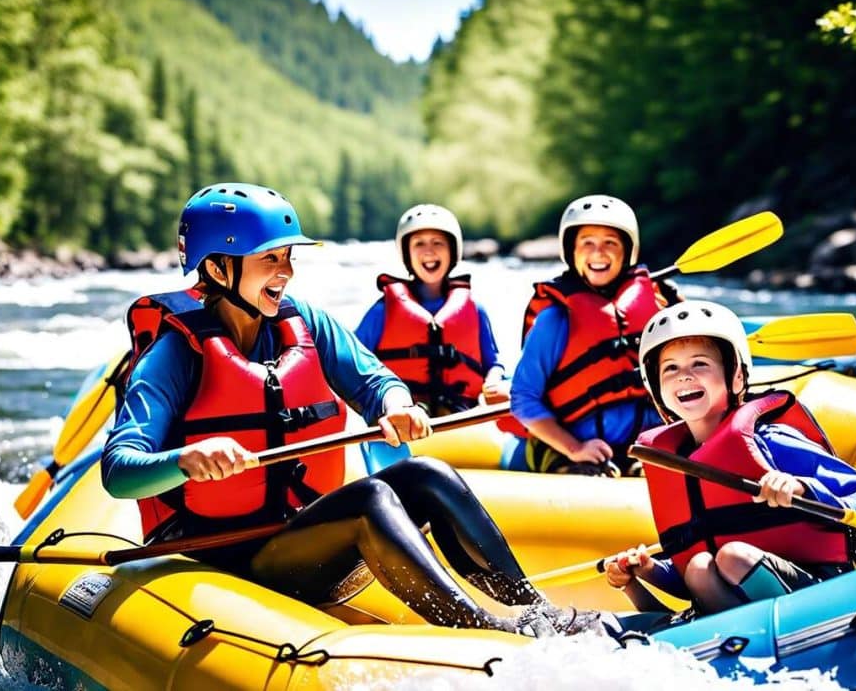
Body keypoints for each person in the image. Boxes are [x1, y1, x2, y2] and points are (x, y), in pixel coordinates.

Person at [102, 183, 600, 637]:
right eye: (270, 260)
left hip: (297, 537)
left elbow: (374, 379)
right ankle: (486, 631)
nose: (286, 273)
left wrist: (395, 403)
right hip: (222, 556)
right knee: (369, 500)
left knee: (426, 473)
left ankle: (535, 612)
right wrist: (186, 458)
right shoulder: (172, 354)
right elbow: (119, 472)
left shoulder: (304, 322)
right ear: (217, 268)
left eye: (288, 258)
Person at [604, 300, 856, 614]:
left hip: (819, 590)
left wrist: (803, 487)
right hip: (737, 603)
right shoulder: (673, 462)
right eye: (671, 369)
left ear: (736, 376)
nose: (684, 376)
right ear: (655, 389)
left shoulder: (772, 442)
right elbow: (690, 575)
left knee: (734, 557)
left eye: (699, 364)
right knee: (699, 567)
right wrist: (644, 572)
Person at [508, 194, 680, 476]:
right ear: (571, 252)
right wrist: (574, 447)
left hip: (649, 447)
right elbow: (523, 398)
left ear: (627, 251)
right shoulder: (555, 320)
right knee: (584, 472)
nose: (598, 252)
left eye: (610, 243)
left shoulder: (662, 309)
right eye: (587, 242)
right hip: (574, 448)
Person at [354, 204, 509, 418]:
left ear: (453, 251)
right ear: (406, 253)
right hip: (404, 418)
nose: (429, 251)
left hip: (461, 417)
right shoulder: (382, 311)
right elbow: (351, 363)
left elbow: (494, 364)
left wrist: (493, 381)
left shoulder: (475, 309)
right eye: (419, 243)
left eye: (438, 243)